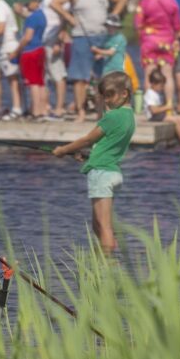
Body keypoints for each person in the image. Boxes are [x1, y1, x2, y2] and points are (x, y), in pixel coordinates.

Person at [52, 71, 136, 254]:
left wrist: (63, 150)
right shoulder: (129, 116)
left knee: (104, 226)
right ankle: (104, 261)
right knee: (97, 225)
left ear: (124, 93)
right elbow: (110, 145)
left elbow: (88, 139)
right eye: (104, 96)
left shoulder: (113, 116)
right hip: (111, 170)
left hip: (102, 173)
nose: (106, 101)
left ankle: (109, 263)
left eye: (110, 96)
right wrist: (89, 157)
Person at [50, 0, 128, 122]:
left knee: (103, 78)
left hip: (103, 37)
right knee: (80, 78)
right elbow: (54, 3)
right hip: (81, 37)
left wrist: (113, 15)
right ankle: (81, 112)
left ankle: (101, 113)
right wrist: (69, 18)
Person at [135, 0, 180, 117]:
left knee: (149, 74)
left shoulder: (144, 2)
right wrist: (175, 40)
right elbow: (177, 25)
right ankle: (169, 108)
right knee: (168, 75)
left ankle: (149, 108)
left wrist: (141, 39)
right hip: (167, 41)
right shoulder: (171, 1)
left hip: (149, 41)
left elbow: (138, 24)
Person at [36, 0, 68, 118]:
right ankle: (46, 106)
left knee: (58, 74)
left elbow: (65, 17)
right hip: (40, 39)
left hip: (53, 38)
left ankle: (59, 107)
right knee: (44, 75)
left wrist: (59, 41)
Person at [13, 0, 49, 120]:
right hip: (40, 50)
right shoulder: (41, 15)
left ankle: (36, 112)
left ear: (36, 2)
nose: (26, 6)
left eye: (28, 3)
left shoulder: (32, 18)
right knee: (40, 82)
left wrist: (16, 51)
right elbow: (28, 17)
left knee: (33, 83)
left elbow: (27, 37)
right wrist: (20, 12)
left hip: (30, 52)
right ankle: (43, 110)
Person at [143, 69, 180, 148]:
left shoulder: (155, 94)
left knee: (179, 120)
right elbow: (153, 110)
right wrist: (167, 107)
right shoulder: (150, 94)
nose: (162, 88)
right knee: (178, 120)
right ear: (153, 83)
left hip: (158, 116)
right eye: (161, 86)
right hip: (154, 117)